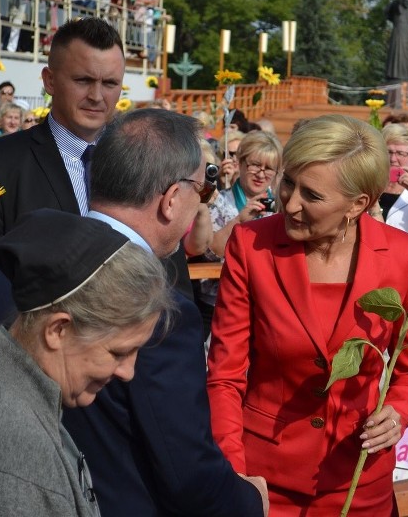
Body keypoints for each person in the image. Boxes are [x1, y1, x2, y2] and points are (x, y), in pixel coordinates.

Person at [207, 114, 408, 515]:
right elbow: (225, 376)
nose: (290, 203)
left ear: (359, 204)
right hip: (265, 484)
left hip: (360, 483)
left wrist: (398, 410)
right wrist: (233, 475)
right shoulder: (251, 246)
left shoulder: (403, 256)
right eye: (288, 182)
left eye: (312, 195)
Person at [60, 109, 268, 516]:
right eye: (200, 189)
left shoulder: (23, 262)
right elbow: (184, 467)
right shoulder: (160, 312)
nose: (200, 204)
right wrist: (248, 502)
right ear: (172, 199)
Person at [0, 208, 173, 515]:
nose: (129, 372)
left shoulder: (0, 377)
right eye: (117, 352)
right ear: (57, 330)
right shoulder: (10, 458)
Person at [0, 17, 148, 361]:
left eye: (110, 83)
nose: (97, 96)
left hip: (121, 377)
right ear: (49, 80)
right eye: (83, 80)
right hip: (25, 371)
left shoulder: (139, 165)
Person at [200, 130, 282, 329]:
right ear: (241, 163)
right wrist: (239, 220)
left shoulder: (282, 207)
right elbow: (210, 252)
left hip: (265, 305)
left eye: (269, 168)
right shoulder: (218, 201)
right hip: (218, 303)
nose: (261, 174)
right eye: (255, 165)